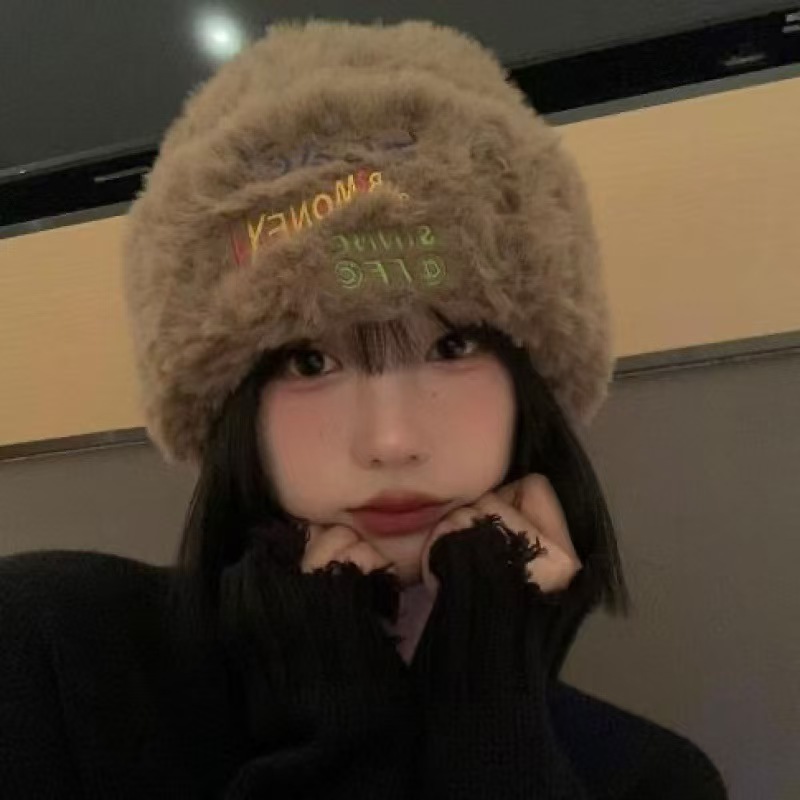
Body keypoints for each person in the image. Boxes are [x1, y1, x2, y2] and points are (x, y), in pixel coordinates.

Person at [0, 17, 729, 799]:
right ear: (228, 404)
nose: (391, 440)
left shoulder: (653, 780)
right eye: (310, 361)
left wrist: (492, 719)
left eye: (452, 347)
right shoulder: (48, 655)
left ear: (531, 381)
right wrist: (340, 737)